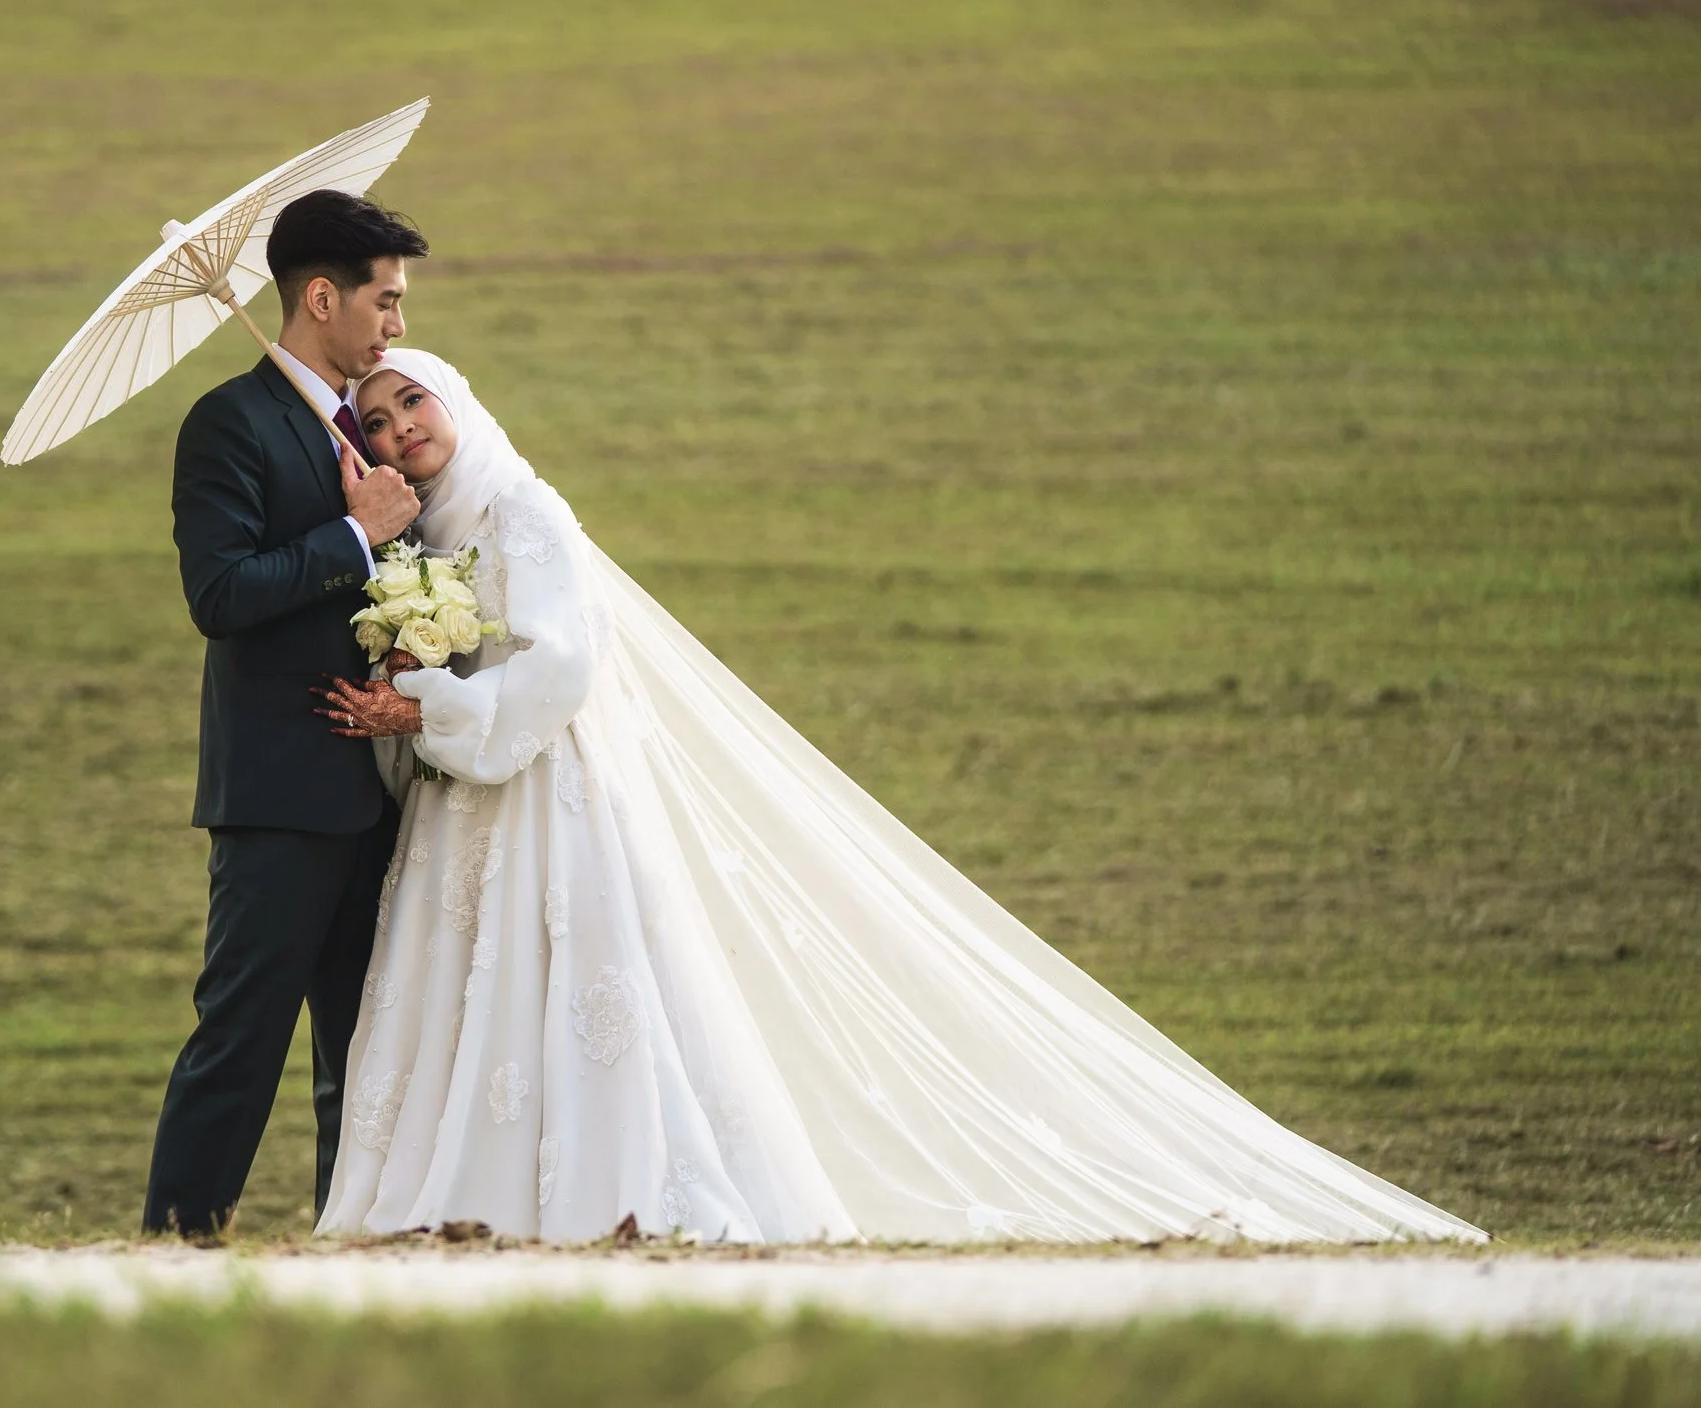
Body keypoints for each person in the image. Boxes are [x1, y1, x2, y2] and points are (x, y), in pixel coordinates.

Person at [316, 350, 1485, 1245]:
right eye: (374, 420)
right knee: (473, 986)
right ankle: (471, 1192)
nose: (400, 429)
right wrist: (409, 692)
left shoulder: (526, 512)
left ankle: (609, 1191)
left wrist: (434, 710)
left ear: (456, 402)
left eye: (412, 403)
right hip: (465, 804)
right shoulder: (430, 539)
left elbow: (566, 668)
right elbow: (459, 672)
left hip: (549, 800)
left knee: (579, 984)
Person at [140, 190, 428, 1238]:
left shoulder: (377, 422)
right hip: (276, 797)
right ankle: (176, 1244)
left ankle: (345, 1243)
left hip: (382, 797)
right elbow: (217, 595)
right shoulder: (228, 423)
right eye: (384, 301)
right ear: (321, 296)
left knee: (366, 1051)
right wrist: (353, 539)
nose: (396, 325)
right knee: (240, 1041)